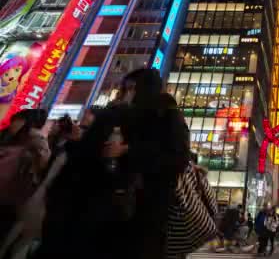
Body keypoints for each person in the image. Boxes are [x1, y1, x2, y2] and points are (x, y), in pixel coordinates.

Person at [35, 68, 191, 259]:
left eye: (132, 88)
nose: (128, 94)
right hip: (92, 207)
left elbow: (177, 158)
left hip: (132, 212)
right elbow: (88, 153)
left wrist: (128, 150)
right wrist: (78, 139)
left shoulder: (166, 115)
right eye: (126, 89)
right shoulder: (118, 113)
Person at [0, 109, 50, 259]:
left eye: (17, 121)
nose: (13, 124)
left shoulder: (35, 145)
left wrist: (36, 135)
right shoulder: (7, 137)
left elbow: (43, 162)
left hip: (8, 201)